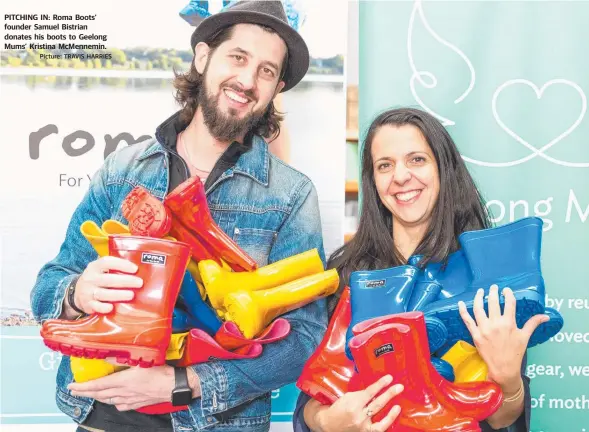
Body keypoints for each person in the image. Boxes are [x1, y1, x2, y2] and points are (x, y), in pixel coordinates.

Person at [30, 2, 329, 431]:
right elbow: (48, 286)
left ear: (276, 87)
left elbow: (303, 337)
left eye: (266, 71)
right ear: (203, 57)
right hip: (101, 419)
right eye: (238, 57)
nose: (247, 80)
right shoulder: (122, 171)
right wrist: (77, 292)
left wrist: (185, 381)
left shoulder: (292, 194)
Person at [293, 107, 548, 432]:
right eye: (385, 165)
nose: (400, 176)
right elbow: (310, 406)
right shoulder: (347, 273)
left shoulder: (487, 274)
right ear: (373, 180)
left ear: (443, 169)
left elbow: (500, 419)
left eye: (416, 160)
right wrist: (330, 421)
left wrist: (509, 381)